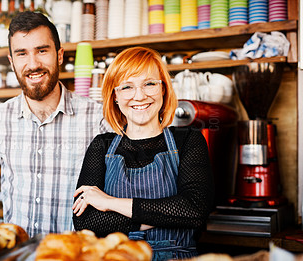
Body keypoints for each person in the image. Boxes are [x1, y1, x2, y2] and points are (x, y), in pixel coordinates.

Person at [0, 11, 110, 237]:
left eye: (42, 50)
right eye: (21, 53)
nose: (33, 64)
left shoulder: (98, 117)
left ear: (59, 55)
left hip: (74, 253)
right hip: (17, 253)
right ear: (11, 62)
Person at [72, 47, 214, 260]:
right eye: (127, 87)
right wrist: (169, 213)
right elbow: (86, 221)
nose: (139, 96)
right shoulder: (101, 146)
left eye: (149, 84)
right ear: (115, 96)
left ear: (163, 89)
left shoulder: (188, 141)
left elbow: (195, 210)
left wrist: (110, 203)